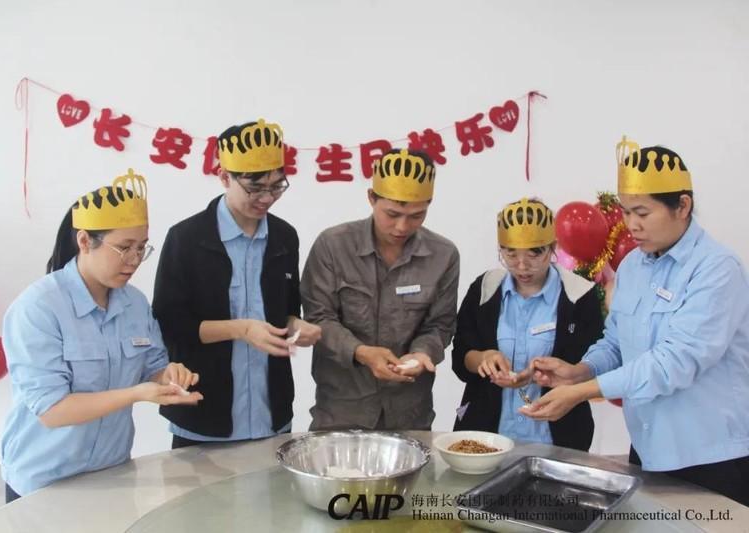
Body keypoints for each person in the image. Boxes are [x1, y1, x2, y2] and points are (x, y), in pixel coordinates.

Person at [522, 137, 749, 505]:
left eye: (642, 213)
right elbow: (616, 341)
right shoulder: (632, 267)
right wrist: (579, 371)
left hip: (709, 454)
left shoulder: (717, 270)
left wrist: (582, 392)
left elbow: (674, 362)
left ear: (683, 206)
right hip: (648, 446)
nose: (631, 225)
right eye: (626, 212)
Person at [1, 170, 202, 501]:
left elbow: (152, 367)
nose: (135, 260)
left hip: (112, 474)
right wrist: (136, 394)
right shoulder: (38, 308)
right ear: (84, 241)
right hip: (43, 482)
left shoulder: (135, 304)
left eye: (142, 248)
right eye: (124, 248)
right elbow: (53, 410)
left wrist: (170, 376)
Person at [153, 119, 320, 448]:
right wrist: (241, 329)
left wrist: (296, 326)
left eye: (277, 186)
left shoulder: (284, 237)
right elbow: (170, 326)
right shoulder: (186, 239)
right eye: (255, 188)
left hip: (271, 413)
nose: (267, 198)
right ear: (224, 176)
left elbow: (285, 312)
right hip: (203, 415)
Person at [301, 148, 460, 430]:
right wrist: (361, 352)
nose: (402, 226)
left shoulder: (443, 255)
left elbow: (440, 324)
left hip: (410, 410)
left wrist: (422, 353)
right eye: (392, 214)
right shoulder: (334, 245)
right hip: (342, 408)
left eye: (416, 215)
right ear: (371, 198)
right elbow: (318, 317)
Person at [451, 198, 603, 450]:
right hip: (487, 436)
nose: (522, 266)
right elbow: (461, 357)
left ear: (552, 247)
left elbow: (594, 367)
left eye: (534, 253)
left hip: (556, 438)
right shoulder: (485, 288)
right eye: (510, 253)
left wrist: (549, 374)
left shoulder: (579, 295)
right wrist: (483, 359)